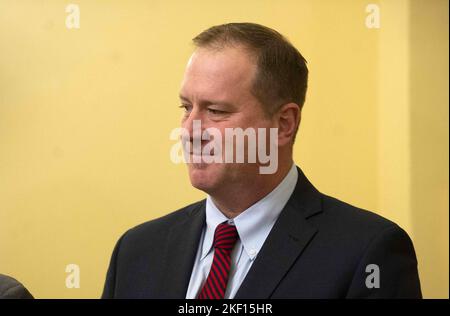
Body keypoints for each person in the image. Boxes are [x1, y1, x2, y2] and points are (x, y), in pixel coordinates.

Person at [102, 22, 421, 299]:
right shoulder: (136, 251)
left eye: (216, 111)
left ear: (284, 123)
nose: (189, 131)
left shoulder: (367, 253)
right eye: (186, 107)